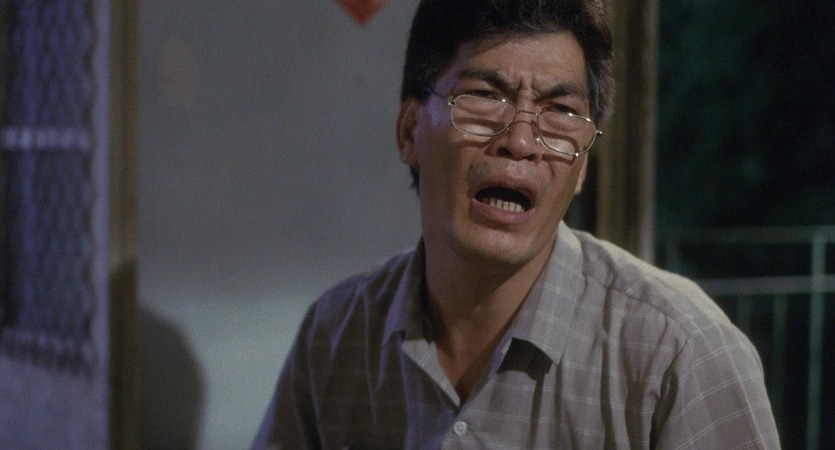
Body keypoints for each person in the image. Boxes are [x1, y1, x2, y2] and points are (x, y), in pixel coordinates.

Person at [253, 0, 780, 448]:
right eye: (485, 97)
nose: (521, 141)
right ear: (410, 131)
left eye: (560, 112)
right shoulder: (337, 335)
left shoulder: (680, 352)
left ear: (582, 168)